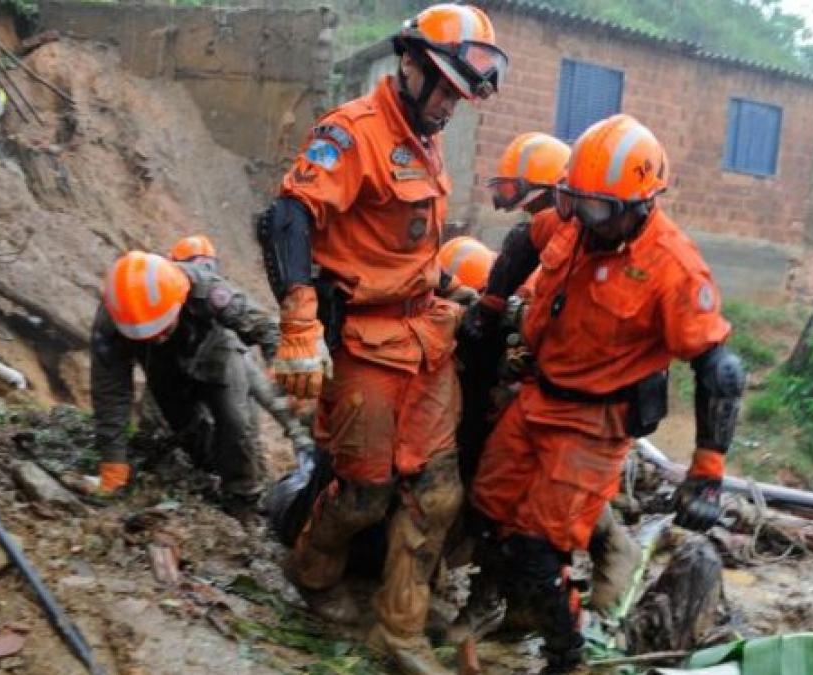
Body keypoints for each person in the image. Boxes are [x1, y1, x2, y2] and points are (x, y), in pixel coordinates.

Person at [254, 4, 507, 672]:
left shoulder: (428, 135)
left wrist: (456, 292)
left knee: (438, 493)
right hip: (365, 345)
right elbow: (289, 216)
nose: (451, 106)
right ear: (411, 65)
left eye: (460, 95)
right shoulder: (352, 133)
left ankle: (399, 630)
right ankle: (310, 572)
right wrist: (300, 323)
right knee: (363, 494)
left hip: (426, 339)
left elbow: (410, 243)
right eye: (446, 89)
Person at [466, 115, 746, 672]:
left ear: (639, 205)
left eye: (597, 210)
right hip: (537, 395)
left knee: (536, 549)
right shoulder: (574, 220)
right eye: (576, 203)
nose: (583, 220)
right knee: (486, 510)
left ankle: (564, 655)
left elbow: (720, 371)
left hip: (593, 423)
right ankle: (502, 609)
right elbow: (525, 238)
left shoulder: (673, 269)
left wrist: (707, 472)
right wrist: (493, 308)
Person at [86, 251, 280, 518]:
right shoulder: (112, 323)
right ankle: (211, 473)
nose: (158, 337)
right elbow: (111, 393)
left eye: (163, 328)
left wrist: (279, 363)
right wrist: (113, 461)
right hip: (163, 369)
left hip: (217, 354)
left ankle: (243, 498)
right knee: (188, 431)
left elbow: (266, 326)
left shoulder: (204, 288)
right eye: (151, 334)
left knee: (235, 422)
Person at [167, 235, 315, 458]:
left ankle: (301, 439)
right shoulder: (168, 296)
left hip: (216, 354)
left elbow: (260, 326)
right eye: (200, 267)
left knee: (247, 412)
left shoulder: (213, 297)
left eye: (207, 268)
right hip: (182, 362)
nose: (205, 273)